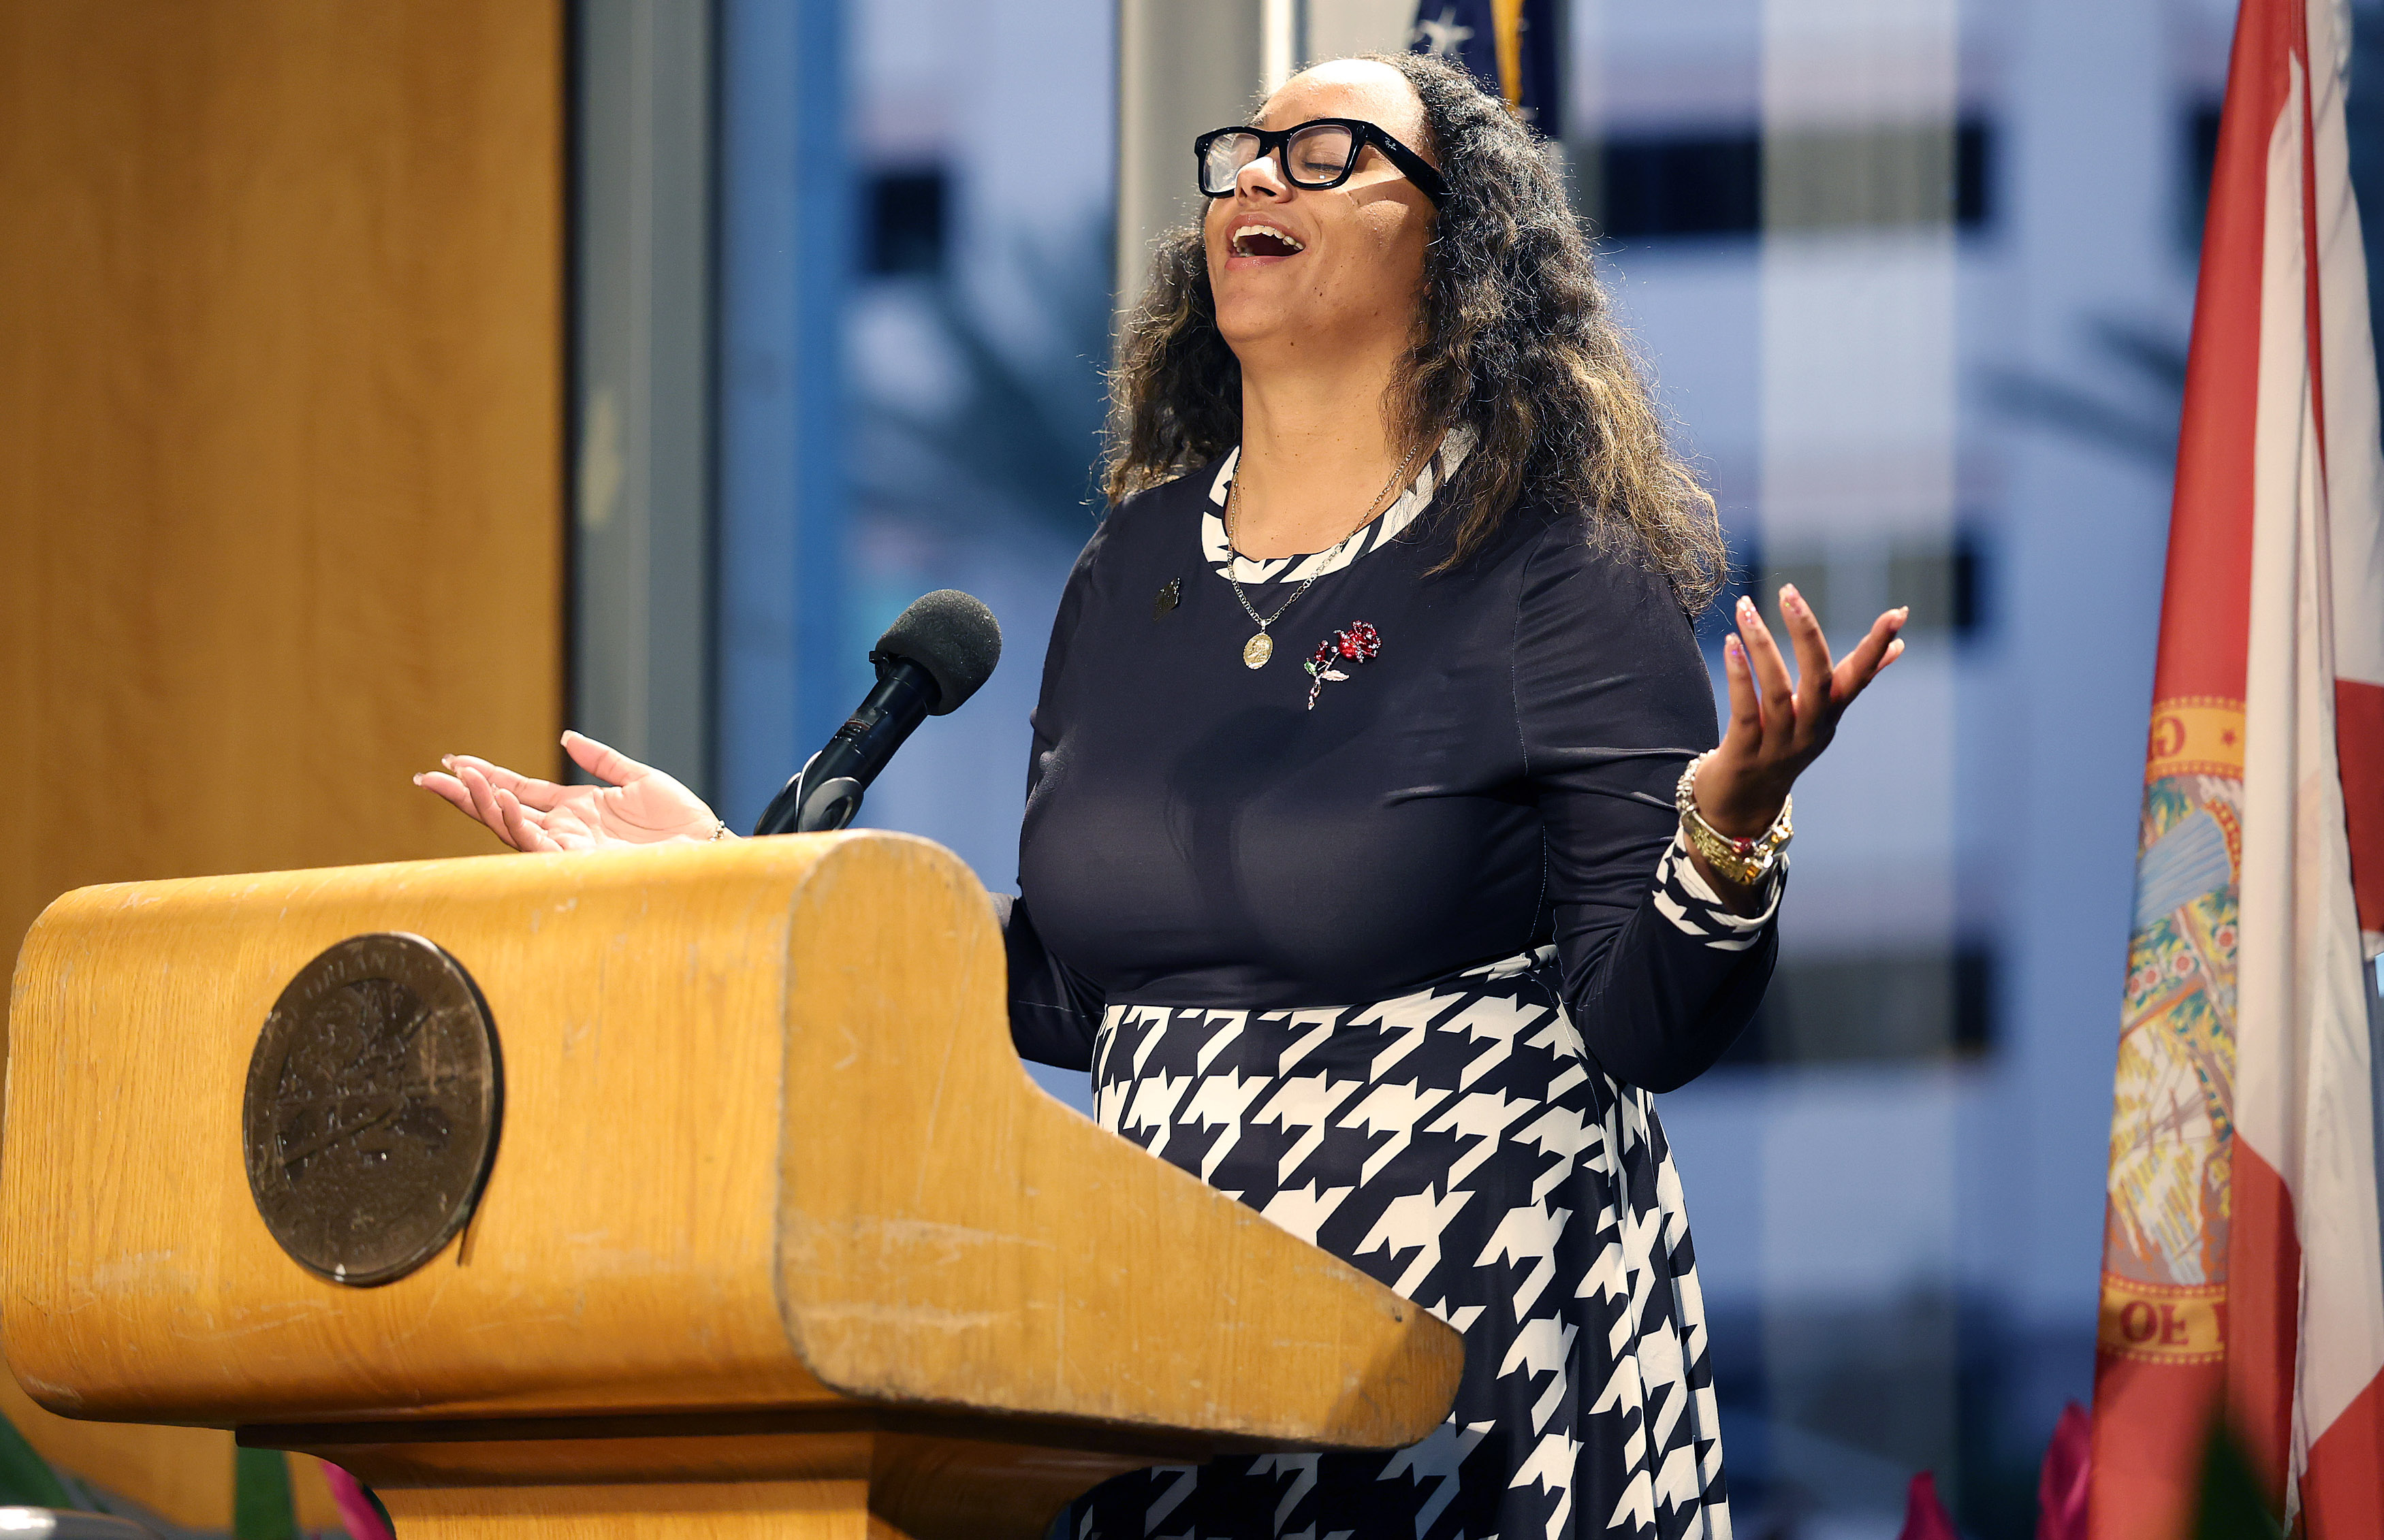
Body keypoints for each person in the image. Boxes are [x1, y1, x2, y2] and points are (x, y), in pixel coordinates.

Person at [419, 50, 1905, 1540]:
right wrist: (736, 875)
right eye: (1244, 152)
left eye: (1324, 153)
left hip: (1472, 1375)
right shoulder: (1128, 571)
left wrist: (1728, 831)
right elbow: (1080, 989)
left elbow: (1645, 1023)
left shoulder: (1551, 569)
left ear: (1457, 250)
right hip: (1160, 1368)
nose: (1256, 174)